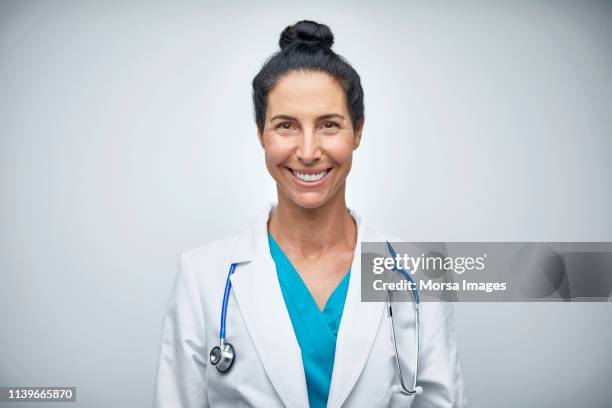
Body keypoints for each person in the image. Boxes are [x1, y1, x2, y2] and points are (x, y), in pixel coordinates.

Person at [153, 19, 466, 408]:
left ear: (358, 131)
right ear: (260, 133)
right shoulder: (202, 277)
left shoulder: (420, 277)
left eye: (329, 125)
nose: (307, 150)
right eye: (286, 126)